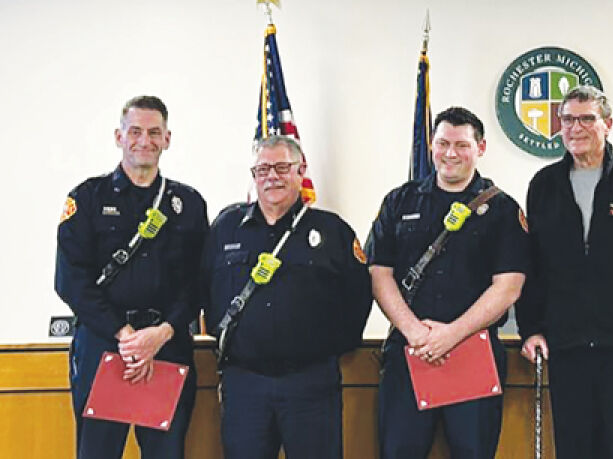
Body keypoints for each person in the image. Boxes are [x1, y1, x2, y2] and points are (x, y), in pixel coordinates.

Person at [515, 86, 613, 458]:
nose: (575, 127)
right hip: (565, 347)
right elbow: (532, 266)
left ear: (608, 124)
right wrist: (532, 328)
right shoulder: (544, 185)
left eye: (586, 118)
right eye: (567, 119)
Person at [366, 107, 529, 459]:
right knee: (398, 451)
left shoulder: (502, 209)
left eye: (461, 144)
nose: (450, 153)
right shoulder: (400, 201)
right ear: (431, 145)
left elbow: (509, 286)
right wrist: (416, 333)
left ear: (480, 148)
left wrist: (450, 335)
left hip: (473, 351)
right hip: (410, 351)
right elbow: (380, 273)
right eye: (442, 143)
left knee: (472, 452)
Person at [55, 95, 207, 459]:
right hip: (105, 347)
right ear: (118, 136)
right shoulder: (88, 198)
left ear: (167, 139)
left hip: (166, 347)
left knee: (165, 454)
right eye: (135, 131)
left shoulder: (188, 204)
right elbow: (70, 280)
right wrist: (125, 337)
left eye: (155, 132)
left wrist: (162, 333)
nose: (145, 140)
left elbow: (199, 281)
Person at [200, 135, 372, 459]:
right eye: (263, 169)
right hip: (244, 383)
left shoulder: (332, 231)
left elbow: (358, 296)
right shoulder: (225, 229)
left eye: (282, 167)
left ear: (300, 170)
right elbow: (204, 289)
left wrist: (329, 348)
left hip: (311, 384)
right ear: (253, 175)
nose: (272, 176)